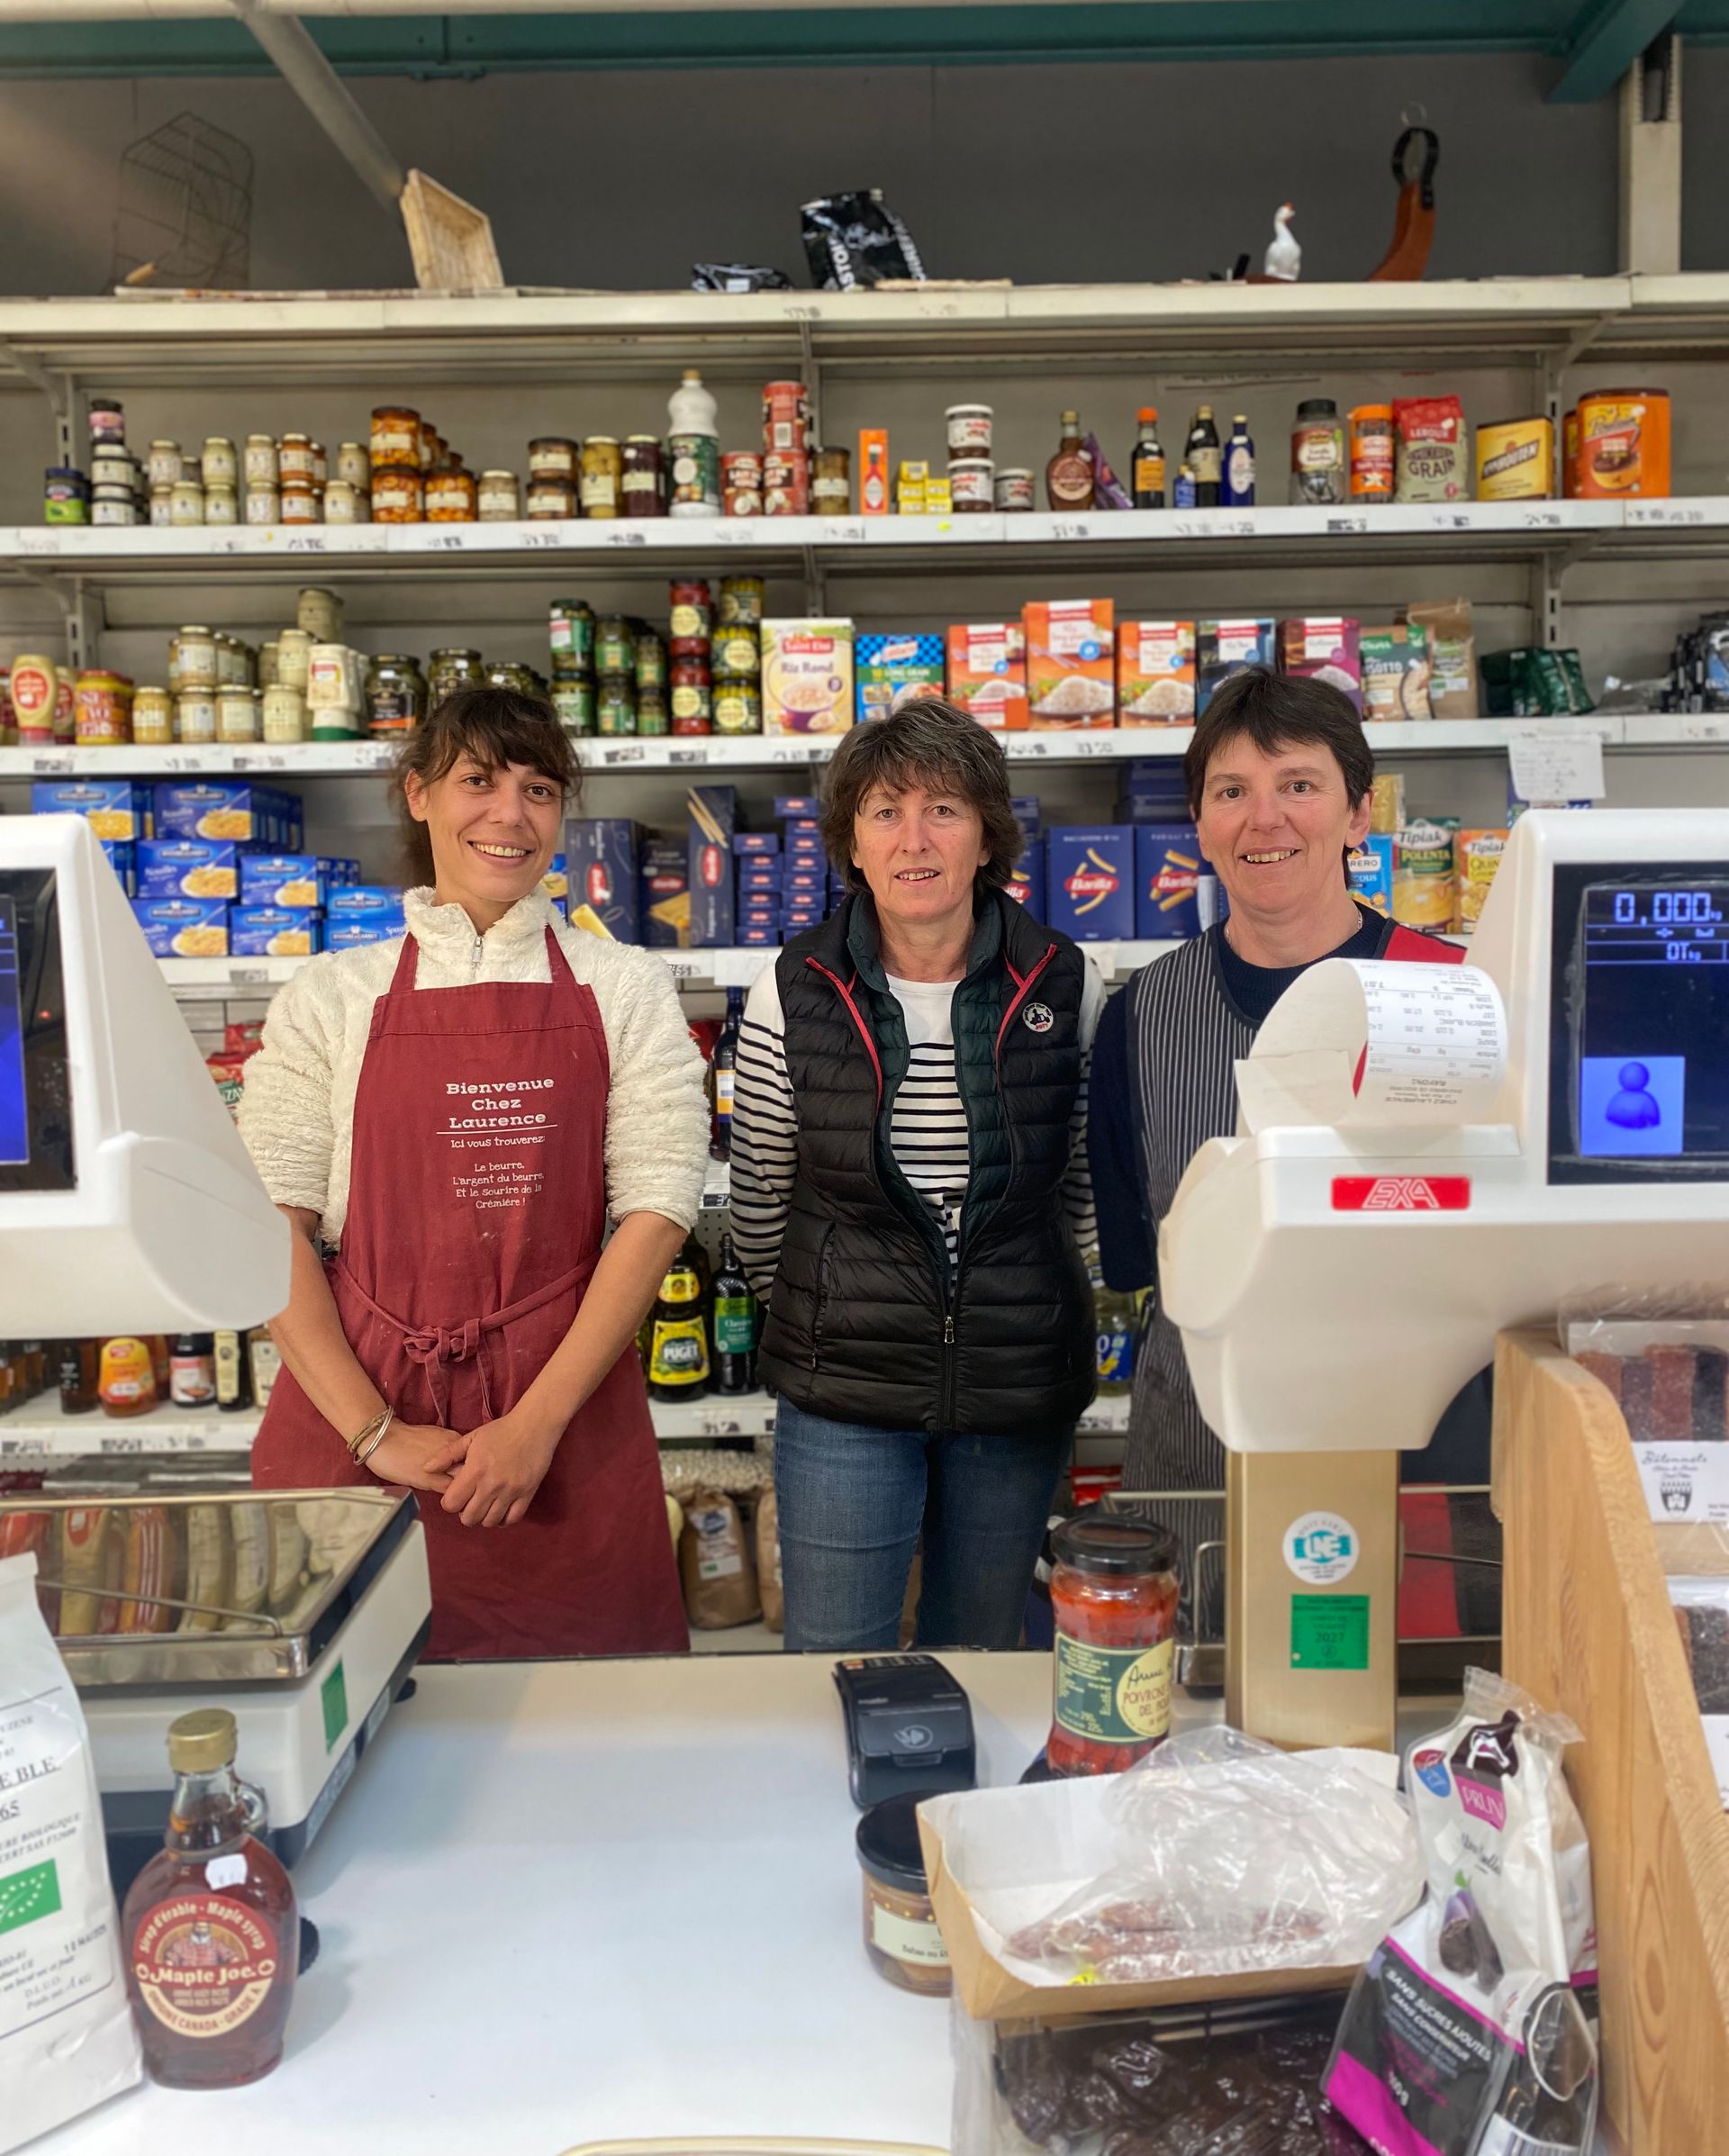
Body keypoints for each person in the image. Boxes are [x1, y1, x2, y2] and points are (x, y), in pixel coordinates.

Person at [239, 687, 707, 1659]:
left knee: (581, 1714)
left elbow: (658, 1209)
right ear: (419, 795)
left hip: (562, 1421)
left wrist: (534, 1425)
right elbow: (268, 1227)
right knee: (350, 1700)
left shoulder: (625, 988)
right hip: (358, 1408)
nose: (511, 814)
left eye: (539, 789)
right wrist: (377, 1433)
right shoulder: (331, 994)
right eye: (478, 781)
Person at [1089, 666, 1485, 1613]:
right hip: (1202, 1464)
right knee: (1199, 1688)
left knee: (1420, 1685)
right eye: (1232, 791)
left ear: (1358, 813)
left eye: (1298, 785)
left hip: (1421, 1456)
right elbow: (1141, 1262)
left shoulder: (1461, 999)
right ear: (1199, 823)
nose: (1264, 819)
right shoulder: (1141, 1019)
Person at [731, 697, 1105, 1653]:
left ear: (986, 836)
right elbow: (763, 1191)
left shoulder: (1066, 982)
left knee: (978, 1650)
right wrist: (828, 1308)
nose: (915, 839)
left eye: (944, 808)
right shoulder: (794, 986)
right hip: (844, 1383)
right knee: (834, 1656)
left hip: (1012, 1381)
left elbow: (1078, 1189)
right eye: (885, 811)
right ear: (852, 843)